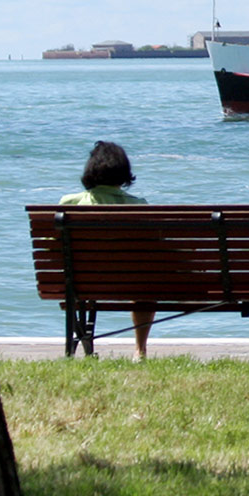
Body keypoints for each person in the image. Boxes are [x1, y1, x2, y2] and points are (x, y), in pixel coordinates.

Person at [58, 141, 156, 360]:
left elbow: (51, 247)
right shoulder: (139, 206)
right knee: (147, 284)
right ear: (124, 173)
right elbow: (152, 250)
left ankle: (75, 349)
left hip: (81, 283)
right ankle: (140, 350)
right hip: (130, 283)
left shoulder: (68, 204)